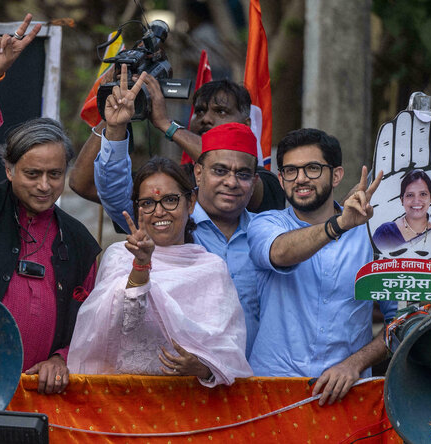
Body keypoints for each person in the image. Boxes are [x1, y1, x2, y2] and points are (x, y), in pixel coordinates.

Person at [0, 15, 101, 394]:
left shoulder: (79, 242)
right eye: (32, 174)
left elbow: (89, 318)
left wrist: (62, 356)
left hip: (40, 397)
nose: (45, 186)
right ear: (8, 170)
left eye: (55, 175)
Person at [90, 65, 264, 359]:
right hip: (173, 381)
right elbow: (115, 194)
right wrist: (116, 129)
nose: (231, 182)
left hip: (255, 380)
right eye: (219, 171)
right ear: (197, 174)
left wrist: (167, 124)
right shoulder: (171, 222)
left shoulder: (270, 232)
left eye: (242, 174)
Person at [67, 156, 252, 386]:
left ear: (191, 202)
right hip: (121, 402)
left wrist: (202, 367)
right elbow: (122, 322)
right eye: (147, 203)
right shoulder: (120, 256)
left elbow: (230, 353)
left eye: (170, 200)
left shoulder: (211, 268)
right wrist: (141, 267)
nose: (159, 211)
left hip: (189, 407)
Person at [247, 128, 398, 406]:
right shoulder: (265, 224)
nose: (301, 178)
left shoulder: (373, 237)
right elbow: (280, 252)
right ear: (280, 180)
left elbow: (400, 321)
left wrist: (355, 364)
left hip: (348, 394)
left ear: (336, 175)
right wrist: (339, 225)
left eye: (313, 168)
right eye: (290, 171)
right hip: (270, 391)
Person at [69, 76, 284, 213]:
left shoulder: (259, 180)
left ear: (246, 125)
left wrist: (166, 124)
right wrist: (115, 116)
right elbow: (84, 185)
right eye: (199, 111)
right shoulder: (172, 180)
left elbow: (222, 157)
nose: (205, 119)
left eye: (220, 111)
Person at [372, 169, 431, 250]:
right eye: (410, 195)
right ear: (402, 199)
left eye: (423, 194)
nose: (416, 201)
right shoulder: (385, 233)